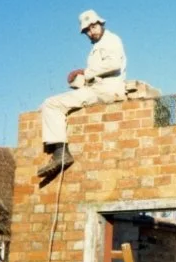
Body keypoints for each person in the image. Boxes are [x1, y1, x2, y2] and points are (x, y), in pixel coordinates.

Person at [37, 9, 127, 177]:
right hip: (97, 89)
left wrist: (86, 73)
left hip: (108, 90)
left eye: (93, 27)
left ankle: (60, 153)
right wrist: (79, 79)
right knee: (44, 106)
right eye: (87, 30)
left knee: (51, 104)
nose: (91, 32)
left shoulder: (111, 40)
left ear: (100, 24)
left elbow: (114, 64)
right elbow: (95, 74)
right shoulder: (97, 47)